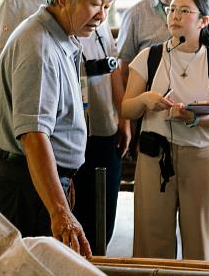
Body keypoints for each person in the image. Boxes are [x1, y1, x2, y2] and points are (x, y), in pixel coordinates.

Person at [0, 0, 117, 257]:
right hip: (28, 187)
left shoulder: (60, 38)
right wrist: (60, 211)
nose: (102, 16)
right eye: (95, 3)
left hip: (45, 183)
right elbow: (34, 135)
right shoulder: (39, 47)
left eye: (107, 7)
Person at [121, 0, 209, 260]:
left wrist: (194, 116)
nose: (175, 15)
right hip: (154, 156)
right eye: (172, 9)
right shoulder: (149, 57)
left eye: (185, 10)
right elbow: (127, 107)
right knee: (152, 237)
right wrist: (146, 99)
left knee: (199, 238)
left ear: (204, 21)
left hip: (200, 157)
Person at [72, 19, 128, 248]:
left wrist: (123, 117)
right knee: (77, 216)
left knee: (104, 220)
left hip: (105, 127)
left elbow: (113, 69)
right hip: (72, 135)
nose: (102, 10)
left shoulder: (101, 21)